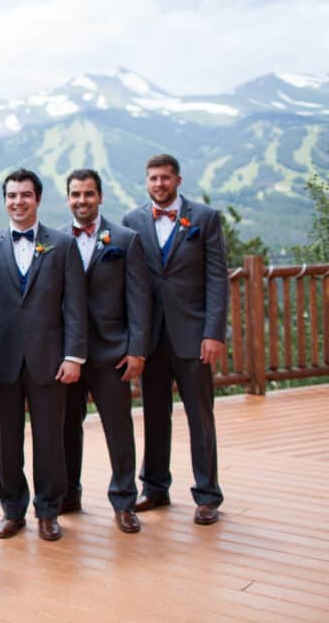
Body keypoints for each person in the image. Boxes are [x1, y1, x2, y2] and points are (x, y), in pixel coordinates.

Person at [122, 154, 227, 525]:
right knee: (154, 414)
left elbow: (217, 278)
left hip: (193, 335)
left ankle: (207, 495)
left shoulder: (204, 219)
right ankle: (154, 488)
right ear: (146, 181)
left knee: (200, 414)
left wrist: (213, 332)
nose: (159, 184)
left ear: (178, 180)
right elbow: (127, 284)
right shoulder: (132, 221)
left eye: (165, 178)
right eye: (153, 178)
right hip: (150, 337)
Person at [0, 168, 87, 541]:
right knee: (4, 441)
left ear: (38, 199)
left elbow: (75, 305)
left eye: (25, 195)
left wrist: (74, 356)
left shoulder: (62, 245)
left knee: (50, 440)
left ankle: (48, 510)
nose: (18, 202)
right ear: (5, 200)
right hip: (1, 360)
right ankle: (12, 509)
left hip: (50, 359)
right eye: (12, 196)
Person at [61, 169, 149, 533]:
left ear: (100, 196)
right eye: (76, 195)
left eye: (88, 194)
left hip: (112, 350)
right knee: (67, 426)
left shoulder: (125, 239)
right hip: (68, 353)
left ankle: (124, 501)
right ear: (68, 198)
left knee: (118, 427)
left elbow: (139, 298)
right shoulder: (54, 240)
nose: (82, 201)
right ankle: (68, 494)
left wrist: (137, 349)